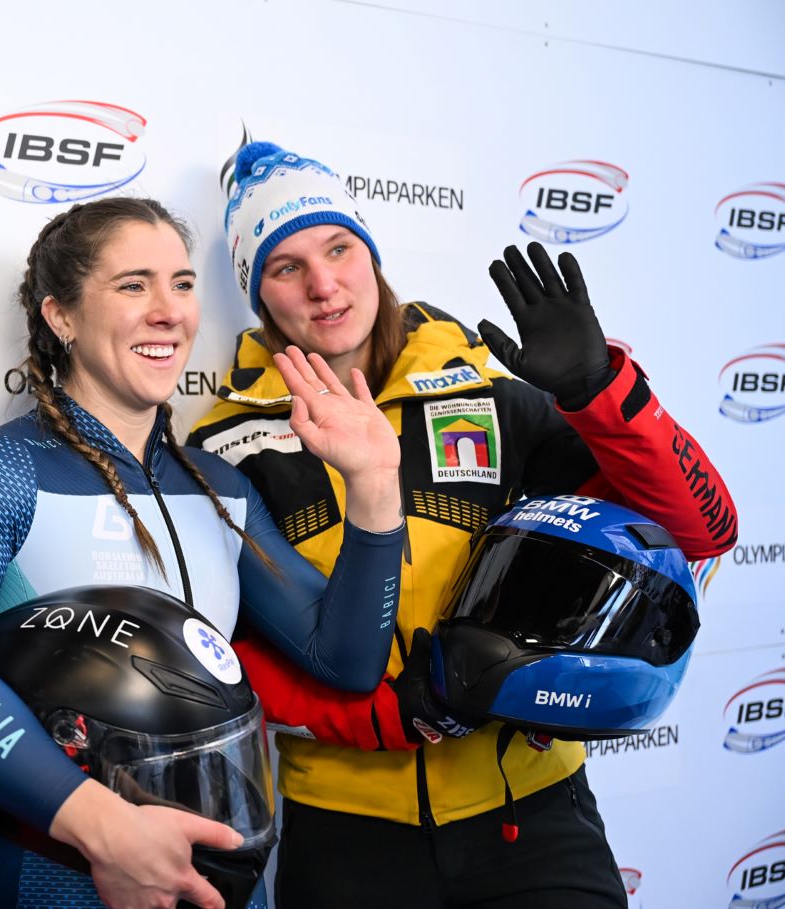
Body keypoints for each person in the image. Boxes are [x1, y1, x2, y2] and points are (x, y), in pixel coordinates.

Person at [189, 141, 738, 908]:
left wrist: (600, 390)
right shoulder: (223, 447)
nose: (324, 285)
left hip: (531, 816)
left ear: (370, 256)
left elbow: (701, 526)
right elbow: (229, 657)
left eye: (340, 248)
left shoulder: (492, 398)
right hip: (347, 837)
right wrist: (394, 716)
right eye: (286, 266)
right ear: (259, 294)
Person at [0, 197, 408, 909]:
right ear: (60, 315)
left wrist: (373, 485)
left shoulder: (220, 484)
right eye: (134, 285)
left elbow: (345, 660)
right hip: (59, 876)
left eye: (183, 284)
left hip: (226, 881)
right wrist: (100, 825)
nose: (169, 311)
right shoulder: (3, 468)